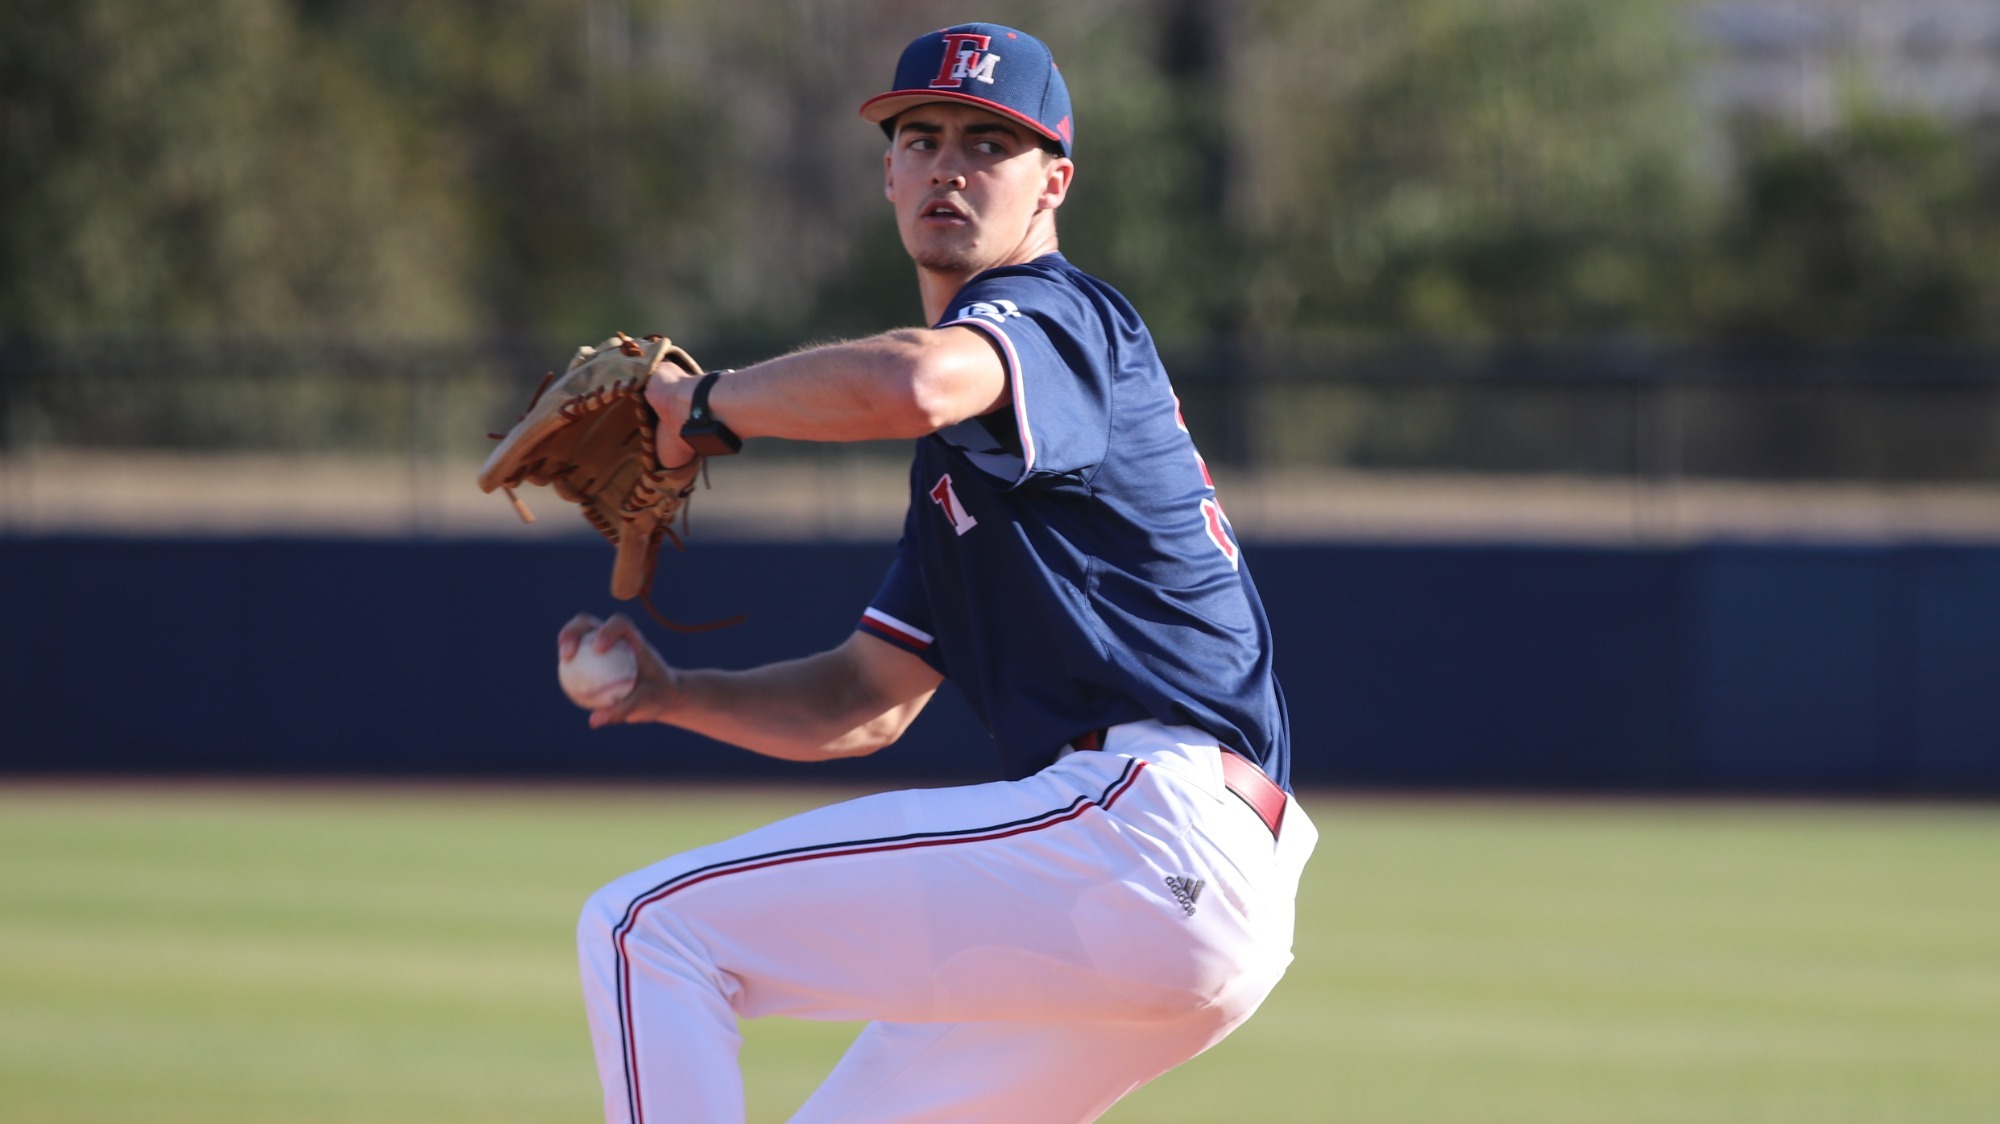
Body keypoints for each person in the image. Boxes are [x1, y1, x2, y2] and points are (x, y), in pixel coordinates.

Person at [561, 22, 1316, 1123]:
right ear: (887, 172)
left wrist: (703, 405)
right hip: (1167, 898)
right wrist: (671, 693)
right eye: (921, 136)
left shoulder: (1062, 317)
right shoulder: (965, 468)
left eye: (988, 143)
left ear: (1052, 182)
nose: (948, 164)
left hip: (1141, 832)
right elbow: (861, 699)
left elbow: (915, 382)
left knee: (645, 929)